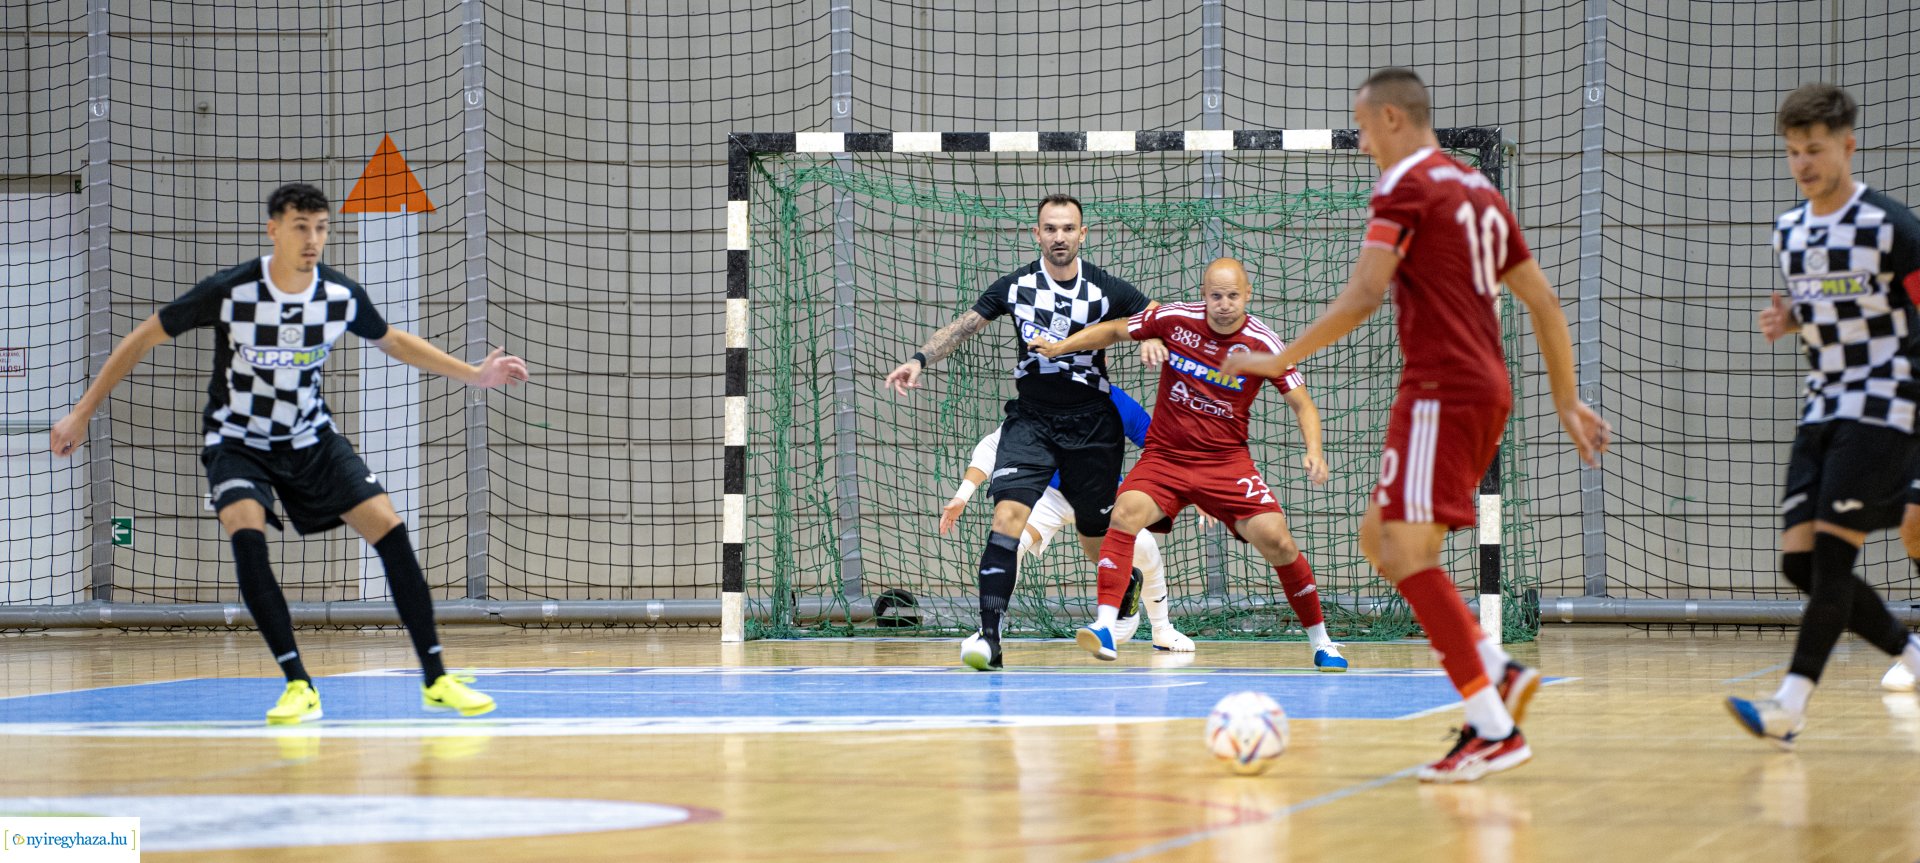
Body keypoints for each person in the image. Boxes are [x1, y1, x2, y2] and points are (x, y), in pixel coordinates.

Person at [1220, 69, 1610, 782]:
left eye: (1364, 128)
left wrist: (1276, 359)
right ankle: (1498, 670)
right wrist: (1565, 398)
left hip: (1441, 388)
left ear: (1393, 118)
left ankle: (1493, 729)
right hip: (1485, 387)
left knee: (1407, 546)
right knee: (1379, 536)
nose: (1363, 143)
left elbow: (1367, 290)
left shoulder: (1404, 184)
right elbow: (1545, 301)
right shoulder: (1481, 191)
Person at [48, 182, 528, 724]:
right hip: (238, 441)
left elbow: (393, 340)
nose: (312, 239)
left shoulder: (339, 296)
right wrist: (82, 411)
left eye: (320, 228)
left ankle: (436, 678)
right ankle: (298, 684)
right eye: (301, 227)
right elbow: (142, 338)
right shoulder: (233, 291)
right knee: (247, 535)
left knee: (391, 531)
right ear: (274, 228)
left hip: (311, 439)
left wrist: (472, 374)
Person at [886, 193, 1163, 670]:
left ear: (1083, 234)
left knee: (1094, 534)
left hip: (1093, 424)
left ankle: (1125, 584)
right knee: (1006, 518)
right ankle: (989, 638)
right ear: (1037, 234)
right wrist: (919, 360)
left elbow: (1155, 312)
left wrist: (1154, 334)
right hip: (1031, 420)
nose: (1059, 236)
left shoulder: (1104, 288)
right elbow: (964, 326)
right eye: (1050, 228)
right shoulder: (1016, 286)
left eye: (1068, 228)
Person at [1032, 258, 1348, 671]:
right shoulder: (1175, 318)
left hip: (1225, 463)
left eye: (1233, 296)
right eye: (1215, 296)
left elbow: (1302, 403)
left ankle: (1322, 643)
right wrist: (1061, 346)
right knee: (1124, 512)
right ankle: (1106, 625)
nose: (1224, 304)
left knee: (1280, 541)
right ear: (1204, 295)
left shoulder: (1263, 342)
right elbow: (1114, 328)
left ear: (1247, 295)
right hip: (1166, 457)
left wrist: (1315, 450)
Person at [1730, 83, 1920, 746]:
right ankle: (1913, 654)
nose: (1803, 163)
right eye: (1792, 152)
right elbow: (1823, 306)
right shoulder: (1789, 231)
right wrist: (1790, 318)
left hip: (1885, 404)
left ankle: (1790, 705)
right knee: (1800, 564)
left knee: (1834, 563)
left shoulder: (1894, 227)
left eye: (1814, 149)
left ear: (1847, 144)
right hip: (1822, 405)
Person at [941, 384, 1195, 652]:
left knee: (1145, 548)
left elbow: (1161, 448)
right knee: (1010, 544)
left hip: (1099, 491)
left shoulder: (1117, 402)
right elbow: (995, 443)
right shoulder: (1041, 395)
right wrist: (963, 494)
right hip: (1047, 493)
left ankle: (1162, 629)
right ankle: (989, 633)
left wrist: (1186, 490)